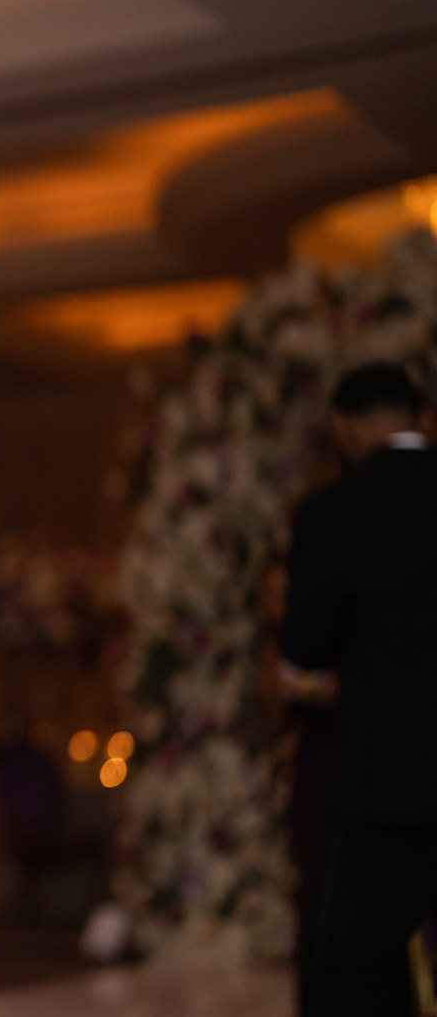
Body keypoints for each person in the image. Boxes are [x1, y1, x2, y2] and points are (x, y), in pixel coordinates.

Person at [282, 361, 437, 1016]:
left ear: (345, 426)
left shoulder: (331, 512)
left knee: (347, 973)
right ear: (419, 417)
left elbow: (306, 646)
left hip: (382, 782)